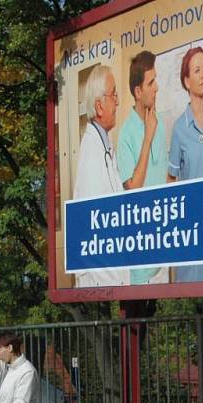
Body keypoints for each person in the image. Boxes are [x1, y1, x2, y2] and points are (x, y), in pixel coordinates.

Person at [167, 46, 203, 282]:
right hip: (188, 225)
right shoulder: (179, 128)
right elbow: (171, 180)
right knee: (189, 288)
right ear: (186, 81)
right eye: (196, 70)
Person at [73, 64, 130, 288]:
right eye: (113, 95)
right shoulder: (91, 154)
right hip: (101, 284)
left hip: (110, 280)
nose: (117, 102)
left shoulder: (105, 147)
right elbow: (93, 228)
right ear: (99, 106)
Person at [117, 50, 169, 286]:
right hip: (140, 259)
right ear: (138, 92)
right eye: (151, 82)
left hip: (163, 250)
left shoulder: (158, 123)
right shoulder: (127, 133)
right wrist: (147, 138)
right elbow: (133, 188)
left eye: (156, 80)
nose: (157, 88)